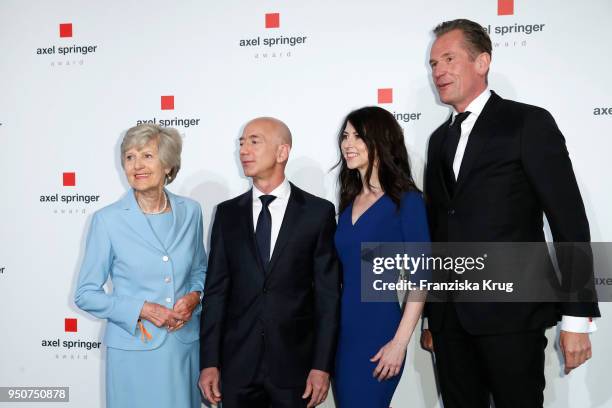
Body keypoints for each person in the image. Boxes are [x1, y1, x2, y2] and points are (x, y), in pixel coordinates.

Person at [421, 19, 600, 407]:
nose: (439, 71)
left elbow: (568, 220)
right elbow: (440, 233)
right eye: (433, 63)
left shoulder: (527, 123)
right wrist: (432, 315)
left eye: (449, 59)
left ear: (482, 61)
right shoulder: (438, 140)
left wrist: (576, 317)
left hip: (513, 318)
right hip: (451, 323)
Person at [198, 117, 341, 408]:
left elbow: (328, 295)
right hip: (237, 367)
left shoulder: (317, 212)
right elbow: (215, 293)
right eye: (241, 143)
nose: (244, 151)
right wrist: (209, 362)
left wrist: (322, 365)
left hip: (295, 368)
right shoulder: (227, 214)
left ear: (282, 152)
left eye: (254, 141)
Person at [74, 124, 206, 408]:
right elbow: (85, 293)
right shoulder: (107, 220)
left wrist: (195, 297)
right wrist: (142, 309)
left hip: (182, 348)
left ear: (168, 165)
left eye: (147, 155)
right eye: (130, 157)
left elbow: (200, 271)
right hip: (133, 349)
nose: (137, 165)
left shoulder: (191, 211)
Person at [333, 106, 430, 408]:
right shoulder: (349, 201)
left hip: (378, 331)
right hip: (341, 333)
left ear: (380, 141)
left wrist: (399, 344)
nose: (348, 144)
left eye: (358, 137)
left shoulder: (407, 201)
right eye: (345, 136)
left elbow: (421, 278)